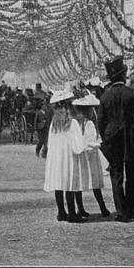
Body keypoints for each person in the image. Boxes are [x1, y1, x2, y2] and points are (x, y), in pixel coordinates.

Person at [98, 55, 134, 223]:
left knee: (116, 175)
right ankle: (131, 209)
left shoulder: (105, 97)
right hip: (131, 138)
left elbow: (100, 122)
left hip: (113, 139)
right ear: (123, 76)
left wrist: (106, 139)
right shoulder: (132, 93)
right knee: (133, 175)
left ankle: (121, 212)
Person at [42, 89, 83, 222]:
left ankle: (61, 212)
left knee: (58, 184)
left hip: (56, 158)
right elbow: (78, 145)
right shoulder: (72, 123)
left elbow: (50, 142)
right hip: (69, 157)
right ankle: (72, 213)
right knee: (69, 183)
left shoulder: (54, 125)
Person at [70, 93, 112, 219]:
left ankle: (81, 208)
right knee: (94, 182)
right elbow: (93, 139)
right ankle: (102, 207)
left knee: (79, 182)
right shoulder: (89, 124)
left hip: (80, 154)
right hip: (90, 154)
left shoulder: (75, 123)